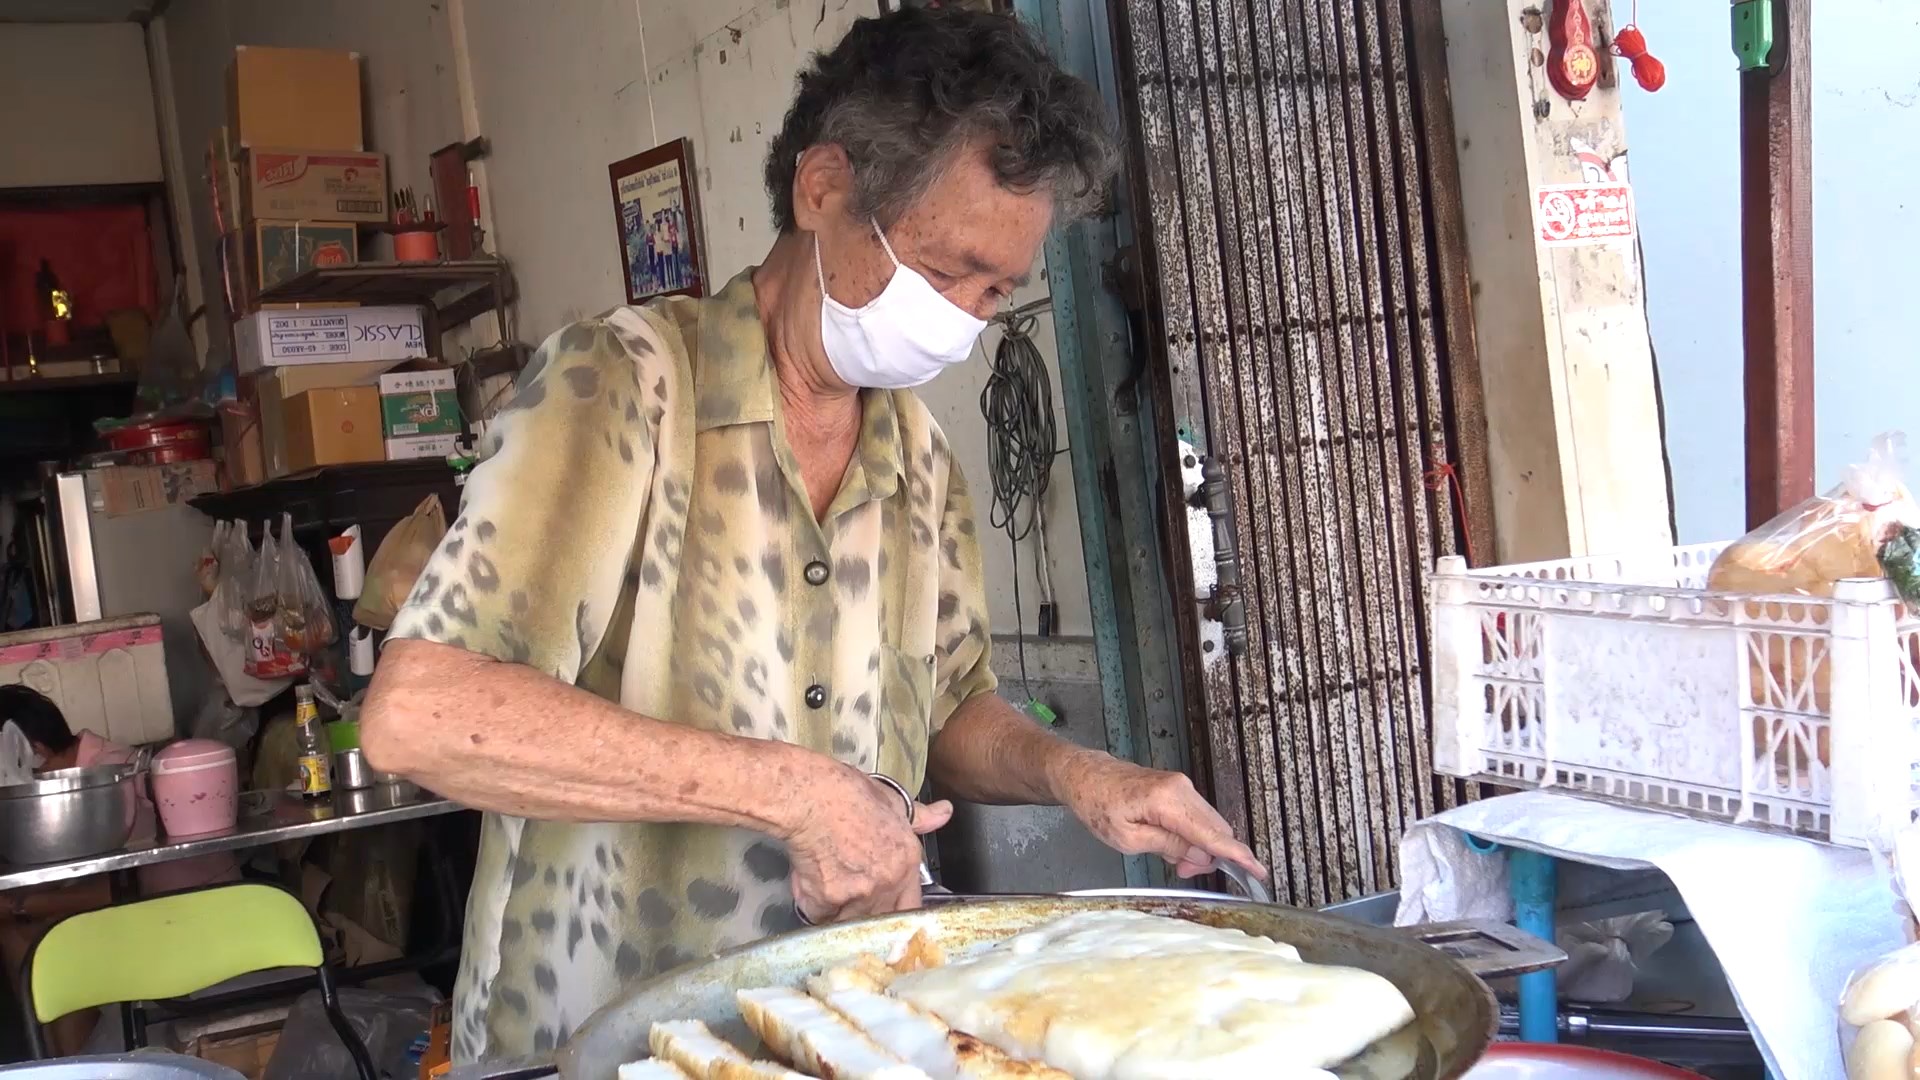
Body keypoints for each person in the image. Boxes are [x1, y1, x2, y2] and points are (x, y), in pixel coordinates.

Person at [361, 7, 1265, 1063]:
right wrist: (799, 794)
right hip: (597, 1041)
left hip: (838, 1030)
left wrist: (1081, 777)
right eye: (945, 271)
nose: (965, 320)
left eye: (995, 292)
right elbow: (422, 715)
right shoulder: (626, 386)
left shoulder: (919, 456)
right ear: (825, 190)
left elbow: (949, 710)